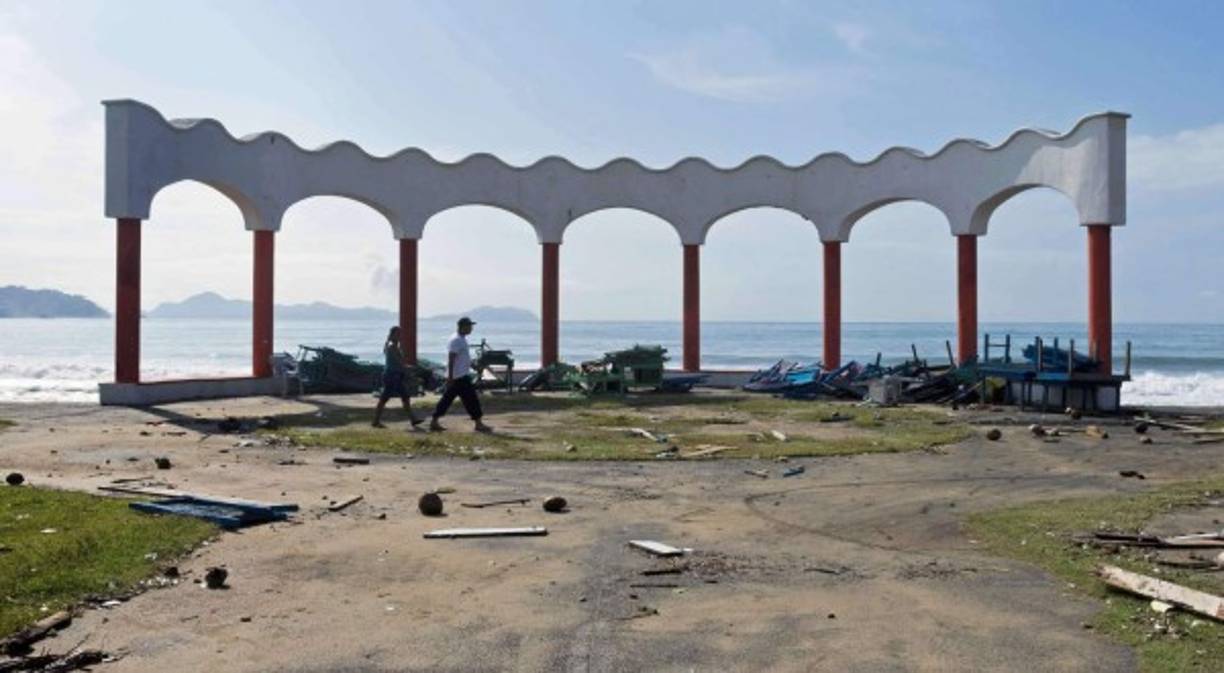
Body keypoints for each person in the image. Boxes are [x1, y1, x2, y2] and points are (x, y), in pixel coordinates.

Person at [430, 316, 492, 433]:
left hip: (460, 375)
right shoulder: (457, 340)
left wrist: (472, 366)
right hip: (458, 377)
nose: (471, 329)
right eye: (469, 326)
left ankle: (434, 421)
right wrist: (450, 377)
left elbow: (462, 358)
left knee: (449, 399)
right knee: (470, 400)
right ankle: (478, 424)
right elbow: (451, 358)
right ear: (463, 327)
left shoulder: (461, 339)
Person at [372, 326, 423, 429]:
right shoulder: (392, 347)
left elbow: (399, 363)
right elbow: (399, 363)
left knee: (398, 397)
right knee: (390, 398)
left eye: (400, 334)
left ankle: (412, 419)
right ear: (393, 335)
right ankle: (376, 421)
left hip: (394, 375)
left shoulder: (394, 346)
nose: (400, 336)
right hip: (392, 376)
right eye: (398, 334)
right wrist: (410, 370)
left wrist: (407, 369)